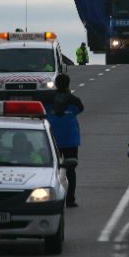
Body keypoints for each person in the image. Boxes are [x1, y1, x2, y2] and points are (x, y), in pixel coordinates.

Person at [45, 73, 84, 207]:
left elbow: (43, 111)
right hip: (70, 140)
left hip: (52, 140)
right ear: (68, 84)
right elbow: (80, 109)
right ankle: (70, 199)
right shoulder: (74, 100)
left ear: (55, 84)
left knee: (53, 170)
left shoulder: (48, 100)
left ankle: (52, 199)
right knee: (71, 170)